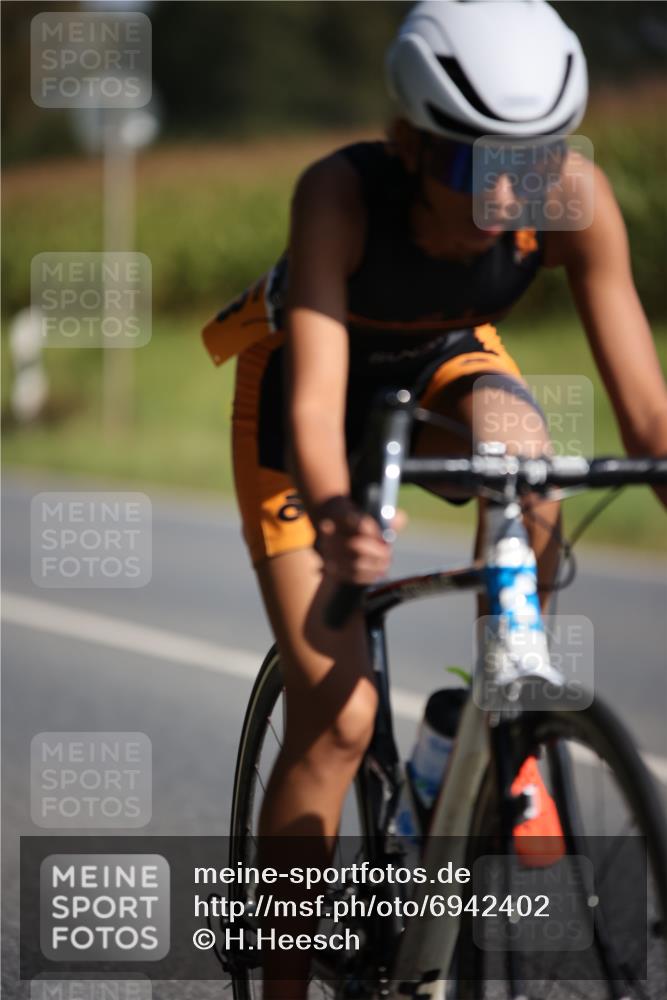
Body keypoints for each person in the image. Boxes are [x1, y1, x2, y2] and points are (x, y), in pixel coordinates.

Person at [203, 2, 667, 995]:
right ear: (410, 145)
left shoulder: (569, 197)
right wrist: (337, 512)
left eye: (534, 164)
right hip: (304, 403)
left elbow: (648, 415)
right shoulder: (339, 195)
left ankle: (497, 712)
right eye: (473, 168)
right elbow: (322, 395)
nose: (510, 199)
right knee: (334, 716)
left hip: (444, 361)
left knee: (528, 461)